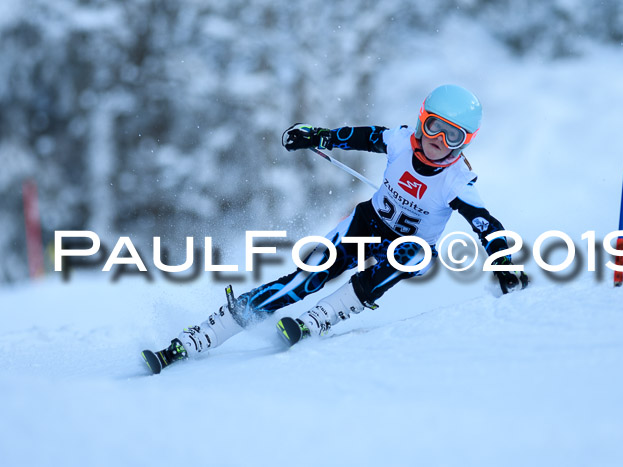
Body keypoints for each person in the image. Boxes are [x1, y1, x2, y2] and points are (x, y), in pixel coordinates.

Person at [141, 84, 528, 374]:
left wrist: (504, 264)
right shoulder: (400, 140)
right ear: (421, 120)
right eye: (433, 127)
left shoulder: (457, 182)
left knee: (409, 257)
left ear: (465, 143)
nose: (438, 142)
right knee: (304, 281)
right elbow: (359, 136)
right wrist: (318, 136)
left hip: (410, 246)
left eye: (453, 136)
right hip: (367, 224)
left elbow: (486, 225)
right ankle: (202, 335)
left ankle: (324, 316)